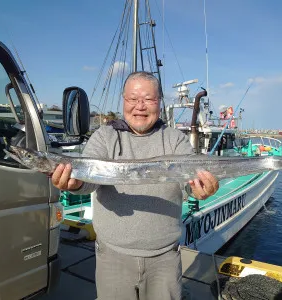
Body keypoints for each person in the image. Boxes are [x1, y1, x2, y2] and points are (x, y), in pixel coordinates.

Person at [51, 71, 219, 300]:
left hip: (165, 259)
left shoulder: (175, 139)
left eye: (148, 99)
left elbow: (189, 182)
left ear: (159, 102)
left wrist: (200, 189)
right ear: (124, 101)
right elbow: (88, 182)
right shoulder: (104, 136)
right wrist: (74, 183)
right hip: (112, 256)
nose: (140, 106)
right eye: (132, 99)